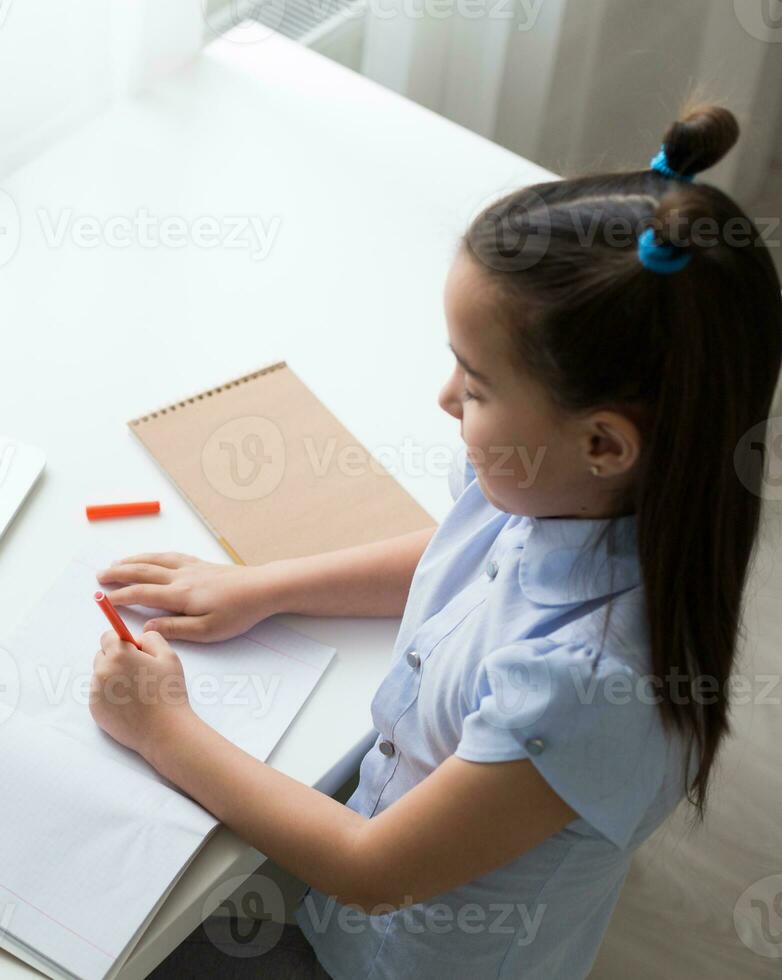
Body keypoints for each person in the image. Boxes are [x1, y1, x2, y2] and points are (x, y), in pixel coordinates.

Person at [94, 104, 782, 977]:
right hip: (361, 865)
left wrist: (162, 728)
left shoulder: (587, 684)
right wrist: (264, 586)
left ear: (603, 442)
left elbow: (374, 872)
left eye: (479, 383)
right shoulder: (558, 488)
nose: (445, 396)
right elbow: (456, 549)